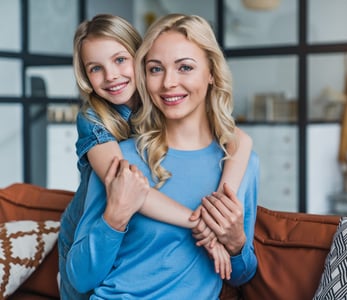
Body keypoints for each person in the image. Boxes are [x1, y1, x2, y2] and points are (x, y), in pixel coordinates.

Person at [59, 14, 253, 299]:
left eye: (120, 60)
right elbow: (129, 187)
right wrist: (201, 222)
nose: (111, 75)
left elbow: (240, 140)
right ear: (85, 76)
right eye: (95, 68)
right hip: (83, 231)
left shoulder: (168, 104)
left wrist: (224, 218)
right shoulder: (93, 118)